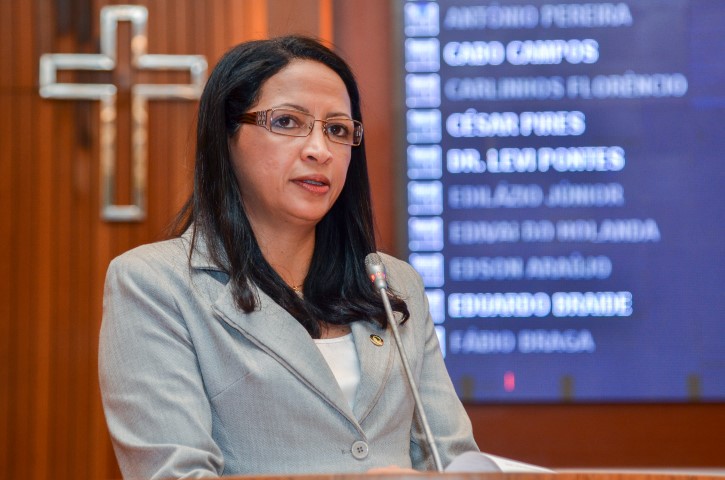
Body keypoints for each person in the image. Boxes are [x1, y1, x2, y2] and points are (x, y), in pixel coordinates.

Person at [99, 35, 479, 479]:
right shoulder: (154, 283)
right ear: (226, 137)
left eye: (337, 129)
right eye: (287, 121)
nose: (319, 149)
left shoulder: (393, 282)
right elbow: (173, 474)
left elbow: (452, 460)